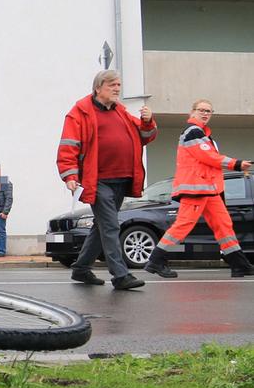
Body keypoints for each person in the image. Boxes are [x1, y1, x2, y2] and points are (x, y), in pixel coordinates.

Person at [57, 69, 157, 290]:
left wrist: (148, 122)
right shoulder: (80, 113)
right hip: (98, 180)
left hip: (122, 179)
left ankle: (81, 269)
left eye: (119, 85)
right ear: (98, 88)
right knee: (111, 225)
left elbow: (144, 137)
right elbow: (68, 146)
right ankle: (120, 275)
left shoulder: (120, 111)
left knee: (101, 226)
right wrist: (70, 175)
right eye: (112, 85)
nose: (117, 89)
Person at [143, 100, 252, 279]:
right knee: (184, 224)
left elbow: (210, 161)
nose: (205, 113)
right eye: (201, 110)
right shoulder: (193, 131)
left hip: (208, 189)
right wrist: (237, 164)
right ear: (192, 112)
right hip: (196, 189)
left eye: (209, 111)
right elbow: (209, 157)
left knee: (223, 224)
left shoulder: (202, 134)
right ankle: (156, 260)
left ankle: (239, 264)